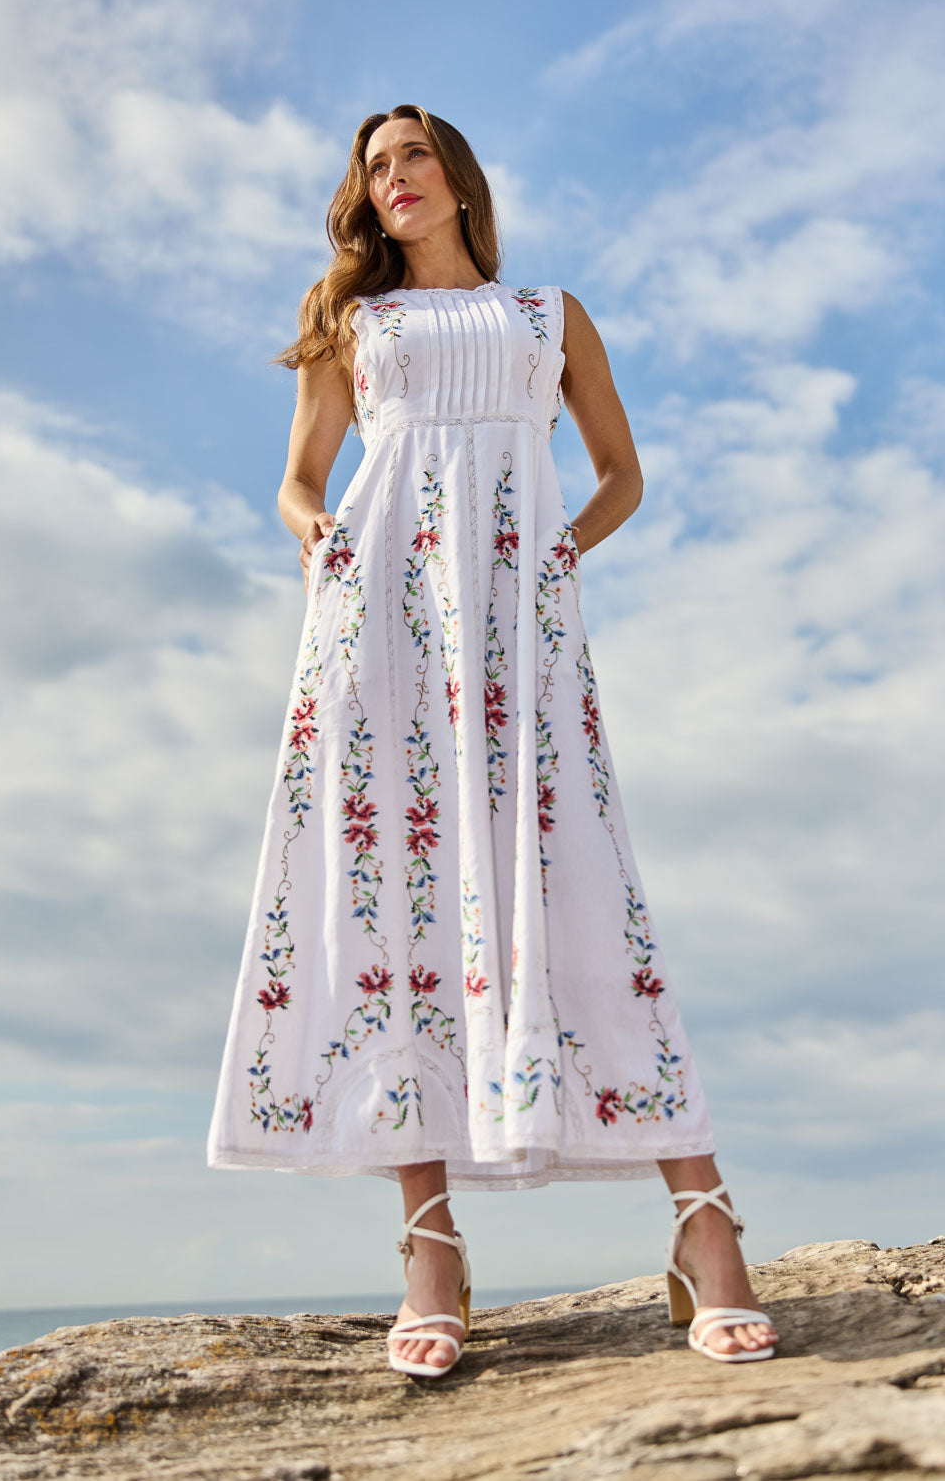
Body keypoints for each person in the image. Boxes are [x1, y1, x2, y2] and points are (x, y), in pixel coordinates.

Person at [207, 104, 779, 1378]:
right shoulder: (354, 324)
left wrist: (551, 564)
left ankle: (702, 1224)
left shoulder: (548, 318)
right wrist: (325, 543)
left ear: (457, 179)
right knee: (401, 906)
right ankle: (430, 1244)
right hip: (381, 635)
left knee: (584, 886)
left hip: (522, 640)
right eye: (372, 168)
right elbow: (300, 481)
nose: (392, 179)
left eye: (412, 157)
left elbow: (619, 473)